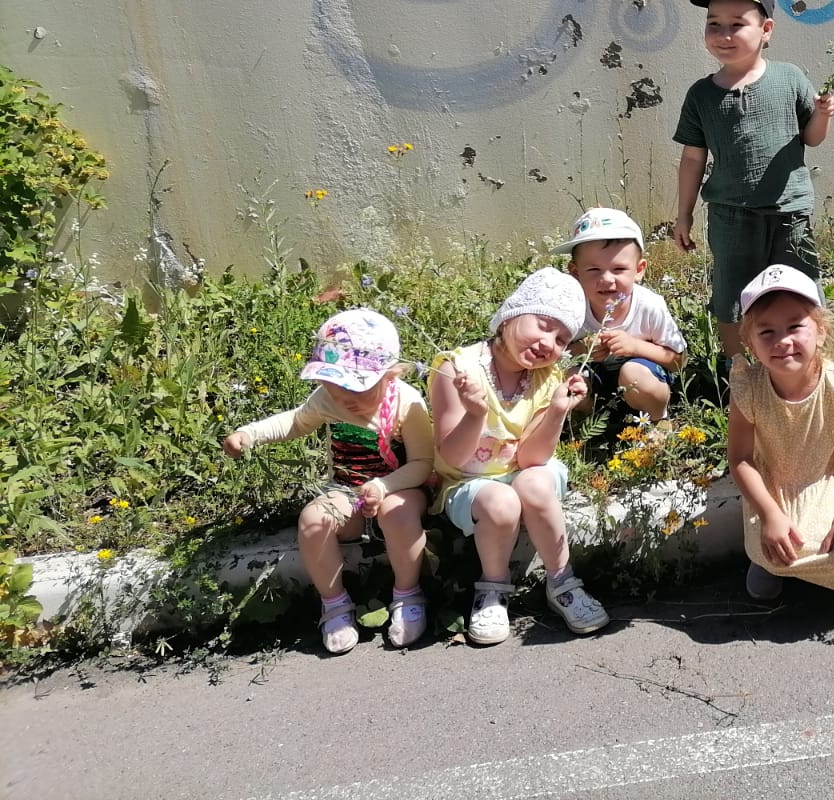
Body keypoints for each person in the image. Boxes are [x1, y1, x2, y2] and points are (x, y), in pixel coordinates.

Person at [222, 309, 433, 654]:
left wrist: (384, 487)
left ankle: (407, 593)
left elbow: (423, 463)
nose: (344, 399)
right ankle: (334, 603)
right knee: (313, 520)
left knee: (397, 512)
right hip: (348, 491)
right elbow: (295, 422)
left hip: (402, 489)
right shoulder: (328, 400)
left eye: (356, 389)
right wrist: (249, 434)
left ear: (390, 374)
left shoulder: (407, 404)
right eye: (334, 389)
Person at [427, 269, 609, 645]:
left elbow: (531, 459)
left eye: (561, 339)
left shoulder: (547, 377)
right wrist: (475, 414)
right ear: (510, 315)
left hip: (524, 469)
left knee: (535, 483)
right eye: (543, 325)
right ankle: (493, 588)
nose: (548, 343)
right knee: (501, 501)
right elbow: (453, 458)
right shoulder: (457, 370)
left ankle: (562, 581)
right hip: (469, 482)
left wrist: (557, 410)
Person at [672, 0, 834, 364]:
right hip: (730, 215)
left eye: (736, 24)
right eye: (714, 24)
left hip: (788, 212)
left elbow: (811, 138)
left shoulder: (789, 78)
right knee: (731, 294)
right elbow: (693, 158)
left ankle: (814, 363)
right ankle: (739, 370)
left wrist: (823, 114)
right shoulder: (701, 95)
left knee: (800, 285)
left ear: (766, 30)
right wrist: (683, 214)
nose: (723, 34)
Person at [728, 265, 834, 604]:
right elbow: (741, 459)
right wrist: (770, 514)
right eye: (766, 332)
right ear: (750, 343)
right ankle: (768, 562)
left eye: (795, 326)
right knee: (775, 542)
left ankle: (781, 562)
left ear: (820, 331)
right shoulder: (748, 388)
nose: (782, 341)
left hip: (826, 480)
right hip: (773, 487)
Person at [558, 207, 686, 423]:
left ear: (639, 270)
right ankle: (584, 421)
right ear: (575, 272)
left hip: (639, 378)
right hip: (592, 380)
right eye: (593, 270)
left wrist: (636, 347)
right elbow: (549, 358)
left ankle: (657, 420)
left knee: (635, 374)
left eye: (618, 269)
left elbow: (679, 361)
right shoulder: (569, 308)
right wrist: (582, 350)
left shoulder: (649, 305)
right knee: (565, 376)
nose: (607, 279)